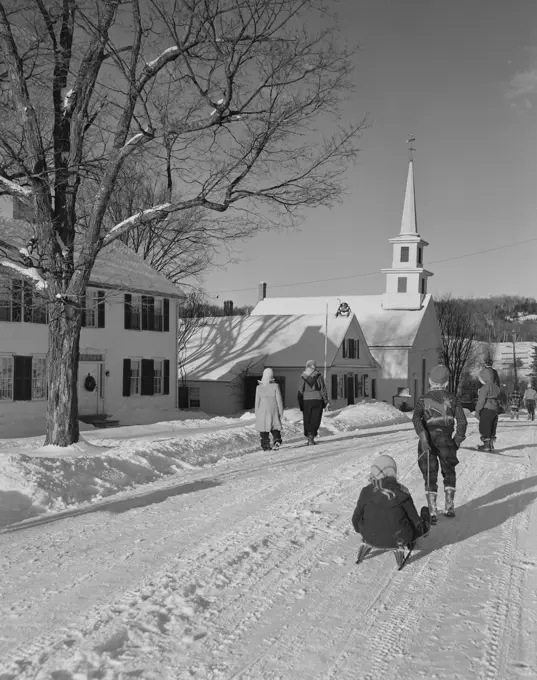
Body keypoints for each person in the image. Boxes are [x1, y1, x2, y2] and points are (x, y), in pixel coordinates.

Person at [352, 455, 430, 568]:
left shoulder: (366, 491)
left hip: (370, 536)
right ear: (393, 470)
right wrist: (421, 527)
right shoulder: (403, 492)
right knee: (423, 514)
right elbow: (415, 520)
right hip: (400, 538)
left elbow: (356, 519)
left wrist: (362, 530)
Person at [412, 364, 467, 523]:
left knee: (430, 472)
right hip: (446, 439)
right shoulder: (452, 398)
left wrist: (422, 435)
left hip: (427, 438)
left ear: (430, 380)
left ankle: (432, 509)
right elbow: (462, 421)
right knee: (449, 471)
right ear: (447, 382)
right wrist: (457, 439)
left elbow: (416, 418)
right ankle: (449, 506)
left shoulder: (423, 399)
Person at [297, 360, 330, 445]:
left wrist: (300, 403)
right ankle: (312, 435)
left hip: (306, 400)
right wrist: (325, 400)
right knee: (316, 418)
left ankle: (309, 436)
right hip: (317, 399)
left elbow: (300, 391)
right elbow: (323, 389)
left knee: (307, 419)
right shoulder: (319, 376)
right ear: (314, 367)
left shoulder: (302, 377)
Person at [255, 367, 284, 451]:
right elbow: (279, 400)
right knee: (275, 426)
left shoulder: (259, 387)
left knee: (263, 428)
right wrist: (281, 411)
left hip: (262, 409)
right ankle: (277, 439)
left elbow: (257, 401)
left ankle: (265, 444)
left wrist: (257, 412)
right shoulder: (275, 386)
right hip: (273, 408)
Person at [475, 367, 501, 452]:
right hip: (495, 409)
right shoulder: (496, 387)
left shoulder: (484, 388)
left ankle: (486, 445)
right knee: (492, 426)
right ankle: (491, 445)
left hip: (486, 409)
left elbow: (481, 401)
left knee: (485, 426)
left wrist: (477, 410)